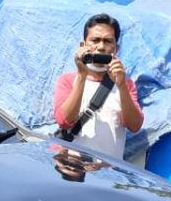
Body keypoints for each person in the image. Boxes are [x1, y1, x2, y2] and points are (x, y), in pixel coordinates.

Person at [53, 13, 143, 158]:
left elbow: (135, 126)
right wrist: (82, 75)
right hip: (72, 173)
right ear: (83, 46)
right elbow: (64, 121)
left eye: (108, 41)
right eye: (95, 40)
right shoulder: (68, 80)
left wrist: (121, 85)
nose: (101, 47)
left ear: (116, 48)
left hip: (108, 174)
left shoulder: (125, 84)